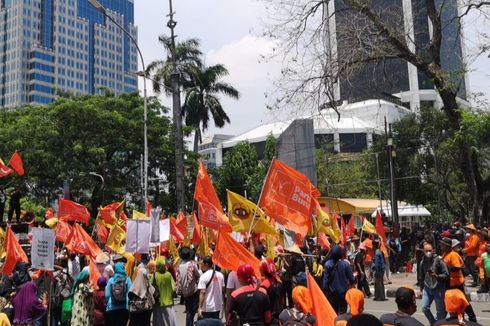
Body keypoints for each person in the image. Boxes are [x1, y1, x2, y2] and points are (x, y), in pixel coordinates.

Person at [440, 237, 477, 322]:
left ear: (447, 246)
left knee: (462, 300)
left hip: (456, 282)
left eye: (442, 244)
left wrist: (444, 268)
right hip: (449, 282)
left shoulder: (453, 254)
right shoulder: (445, 254)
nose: (441, 245)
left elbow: (457, 267)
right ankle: (456, 317)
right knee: (453, 300)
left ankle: (472, 317)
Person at [419, 243, 449, 325]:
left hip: (438, 288)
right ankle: (433, 323)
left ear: (433, 251)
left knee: (440, 311)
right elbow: (421, 276)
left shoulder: (439, 260)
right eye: (426, 251)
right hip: (427, 288)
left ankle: (439, 324)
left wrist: (437, 276)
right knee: (424, 308)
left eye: (430, 250)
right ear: (423, 251)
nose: (428, 252)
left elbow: (446, 274)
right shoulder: (422, 262)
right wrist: (421, 289)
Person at [323, 245, 355, 314]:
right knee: (342, 314)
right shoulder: (345, 265)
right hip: (343, 294)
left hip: (332, 294)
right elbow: (352, 278)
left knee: (332, 314)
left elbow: (325, 281)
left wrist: (326, 292)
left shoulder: (327, 264)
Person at [176, 247, 201, 326]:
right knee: (191, 312)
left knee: (189, 311)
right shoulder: (192, 265)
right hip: (193, 291)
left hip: (184, 292)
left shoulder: (179, 266)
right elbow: (198, 275)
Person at [152, 256, 178, 326]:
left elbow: (150, 287)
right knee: (169, 322)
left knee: (159, 322)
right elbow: (174, 288)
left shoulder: (155, 275)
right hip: (169, 303)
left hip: (158, 303)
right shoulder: (168, 275)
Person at [197, 256, 224, 320]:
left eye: (202, 264)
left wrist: (200, 307)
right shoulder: (220, 275)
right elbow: (223, 289)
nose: (201, 266)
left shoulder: (203, 277)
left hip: (207, 307)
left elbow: (202, 292)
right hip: (218, 306)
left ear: (206, 264)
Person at [259, 258, 283, 325]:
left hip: (269, 319)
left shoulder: (263, 286)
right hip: (279, 316)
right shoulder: (279, 282)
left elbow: (262, 306)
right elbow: (282, 301)